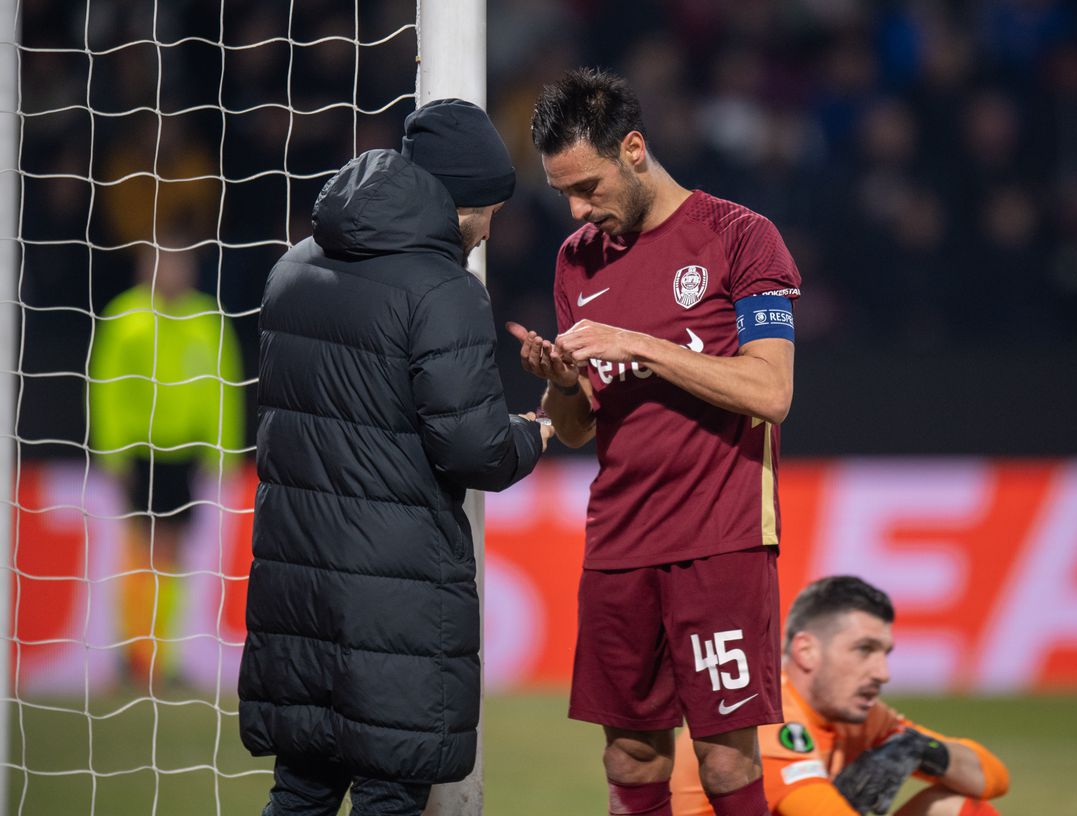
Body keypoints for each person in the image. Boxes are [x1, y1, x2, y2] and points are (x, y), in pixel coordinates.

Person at [238, 98, 554, 816]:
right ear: (461, 199)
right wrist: (542, 428)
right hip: (394, 604)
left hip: (297, 593)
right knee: (389, 795)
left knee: (300, 792)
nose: (491, 226)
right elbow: (474, 450)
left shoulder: (292, 269)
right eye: (489, 208)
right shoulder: (445, 291)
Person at [509, 68, 802, 816]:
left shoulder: (740, 236)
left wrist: (640, 344)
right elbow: (576, 429)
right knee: (630, 754)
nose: (578, 209)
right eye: (563, 193)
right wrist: (563, 381)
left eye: (589, 186)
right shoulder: (576, 260)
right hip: (617, 542)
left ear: (634, 148)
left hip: (720, 538)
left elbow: (770, 394)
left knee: (725, 760)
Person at [671, 576, 1010, 816]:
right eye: (864, 649)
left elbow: (993, 778)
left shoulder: (861, 717)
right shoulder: (764, 717)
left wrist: (923, 749)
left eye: (885, 653)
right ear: (807, 650)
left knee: (955, 809)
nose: (882, 673)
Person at [90, 238, 244, 687]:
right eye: (164, 264)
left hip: (187, 455)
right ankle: (134, 652)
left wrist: (223, 452)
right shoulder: (125, 318)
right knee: (140, 550)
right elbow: (107, 389)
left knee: (174, 555)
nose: (173, 273)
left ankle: (163, 655)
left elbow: (224, 388)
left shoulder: (206, 319)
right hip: (140, 453)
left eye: (180, 264)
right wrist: (113, 452)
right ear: (145, 268)